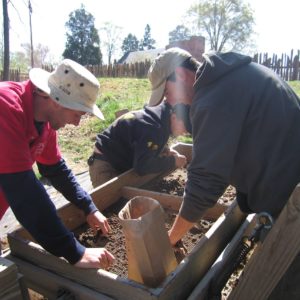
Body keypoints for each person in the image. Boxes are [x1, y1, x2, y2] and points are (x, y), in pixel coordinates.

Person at [148, 47, 300, 299]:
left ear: (181, 75)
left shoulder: (213, 98)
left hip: (292, 203)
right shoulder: (229, 78)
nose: (170, 102)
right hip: (286, 184)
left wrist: (170, 240)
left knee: (279, 283)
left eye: (167, 93)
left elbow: (205, 182)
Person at [0, 59, 115, 269]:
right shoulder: (5, 106)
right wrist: (74, 251)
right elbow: (23, 190)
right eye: (77, 114)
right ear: (57, 100)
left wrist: (88, 207)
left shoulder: (46, 125)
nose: (76, 123)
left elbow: (55, 169)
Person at [88, 102, 191, 188]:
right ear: (174, 117)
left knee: (161, 164)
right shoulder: (153, 127)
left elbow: (144, 140)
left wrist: (164, 150)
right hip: (105, 168)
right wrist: (173, 161)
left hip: (119, 160)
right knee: (117, 204)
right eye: (185, 129)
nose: (184, 133)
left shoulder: (160, 117)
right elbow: (142, 166)